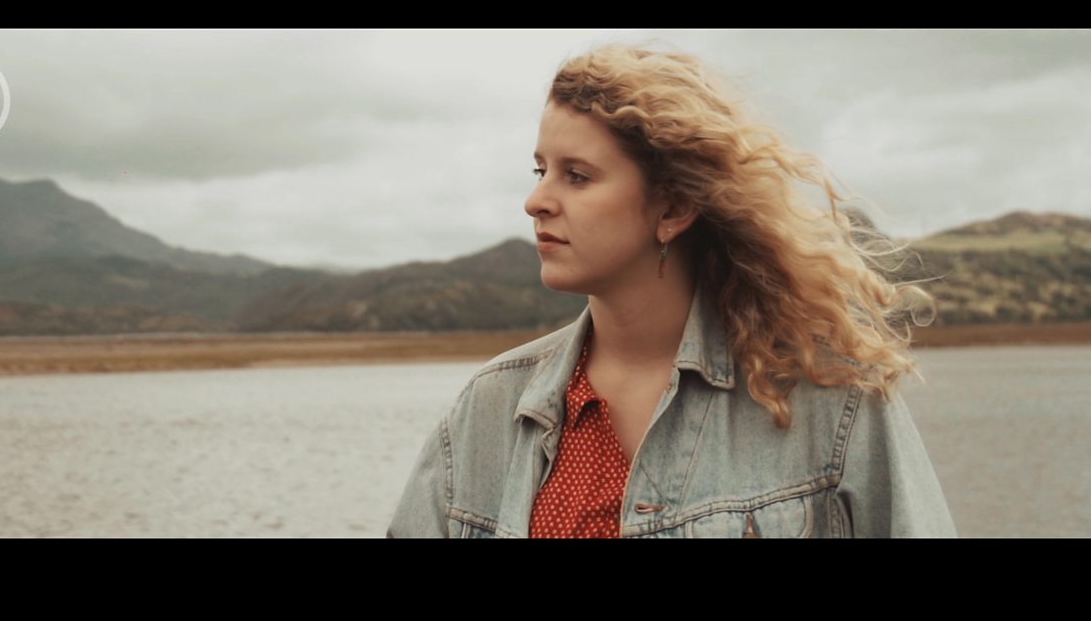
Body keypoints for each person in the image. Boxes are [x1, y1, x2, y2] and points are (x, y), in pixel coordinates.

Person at [385, 41, 958, 538]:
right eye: (542, 171)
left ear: (675, 208)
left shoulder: (831, 399)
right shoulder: (489, 410)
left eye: (577, 176)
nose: (536, 201)